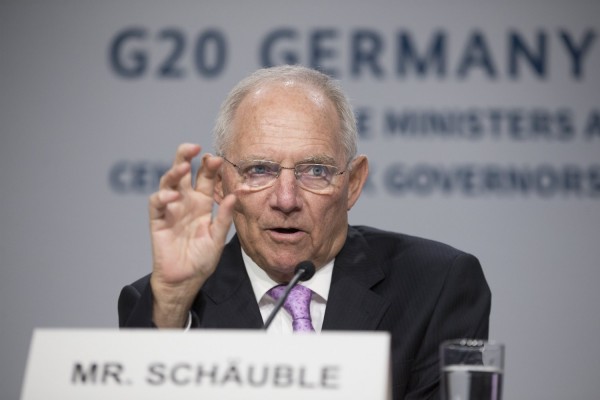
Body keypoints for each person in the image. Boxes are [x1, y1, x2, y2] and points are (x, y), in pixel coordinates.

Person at [118, 65, 491, 399]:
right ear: (220, 183)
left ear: (353, 183)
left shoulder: (436, 286)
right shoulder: (164, 307)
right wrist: (172, 306)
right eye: (259, 170)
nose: (286, 199)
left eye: (315, 171)